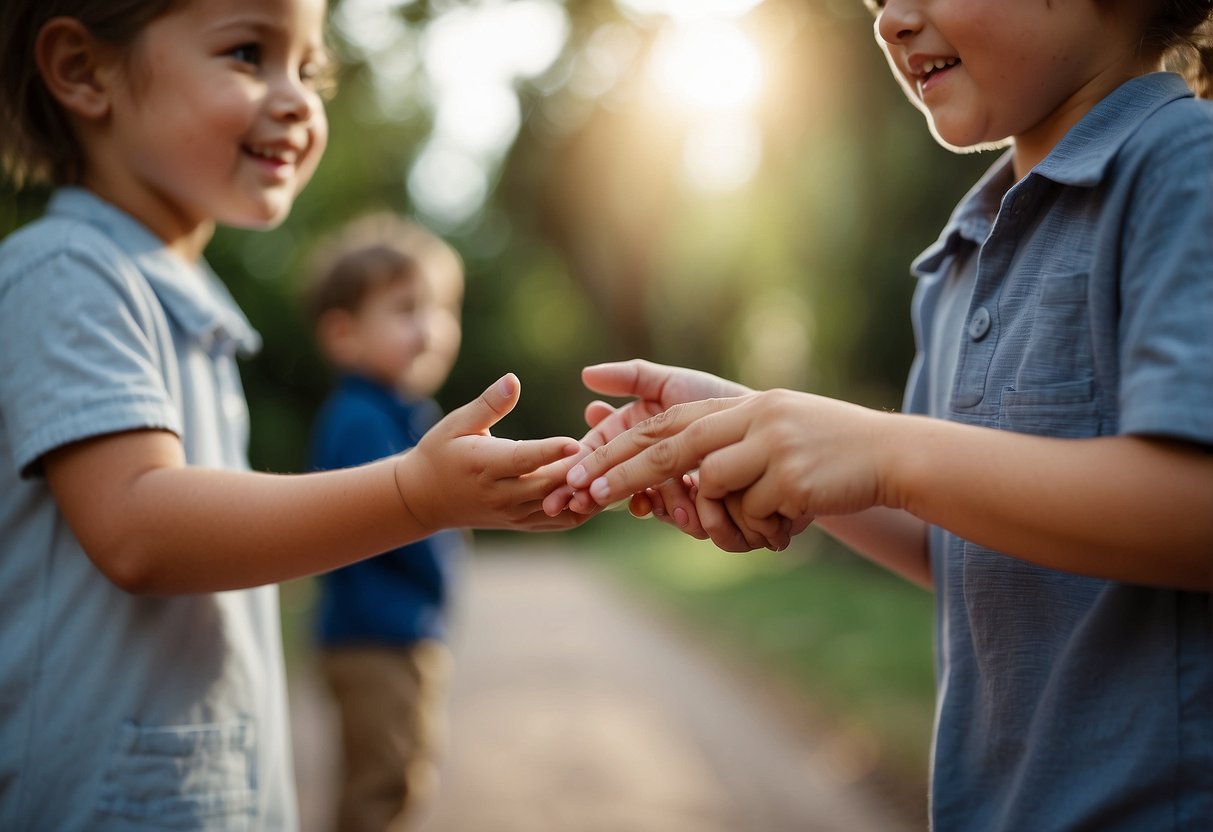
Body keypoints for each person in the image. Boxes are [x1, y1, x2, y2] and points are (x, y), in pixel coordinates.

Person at [553, 0, 1213, 828]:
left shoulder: (1186, 167)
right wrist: (762, 428)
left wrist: (885, 451)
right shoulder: (957, 258)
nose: (890, 18)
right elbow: (962, 544)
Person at [0, 1, 586, 828]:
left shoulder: (190, 309)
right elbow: (138, 527)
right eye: (248, 52)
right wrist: (417, 495)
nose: (298, 100)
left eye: (309, 69)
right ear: (82, 70)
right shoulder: (67, 275)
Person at [302, 213, 468, 832]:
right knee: (382, 786)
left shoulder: (401, 413)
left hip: (397, 634)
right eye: (406, 309)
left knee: (399, 774)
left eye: (440, 309)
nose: (430, 329)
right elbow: (393, 526)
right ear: (344, 334)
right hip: (374, 638)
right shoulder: (362, 420)